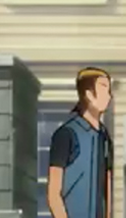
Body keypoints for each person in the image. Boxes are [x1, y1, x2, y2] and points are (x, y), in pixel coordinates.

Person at [46, 68, 115, 218]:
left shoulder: (105, 138)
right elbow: (53, 194)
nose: (109, 96)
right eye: (104, 89)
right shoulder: (66, 134)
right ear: (89, 94)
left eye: (109, 90)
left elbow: (107, 190)